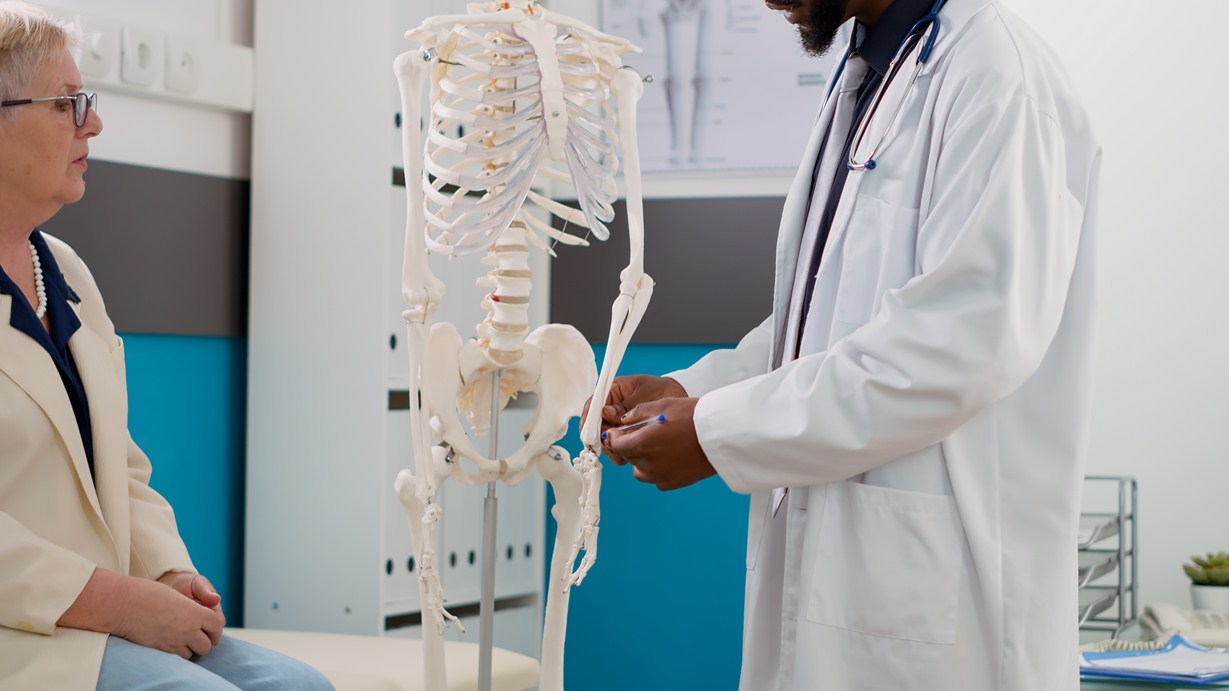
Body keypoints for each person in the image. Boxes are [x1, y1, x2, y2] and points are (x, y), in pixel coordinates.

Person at [591, 0, 1100, 688]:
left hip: (938, 612)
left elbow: (952, 349)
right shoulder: (873, 69)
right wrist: (696, 391)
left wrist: (714, 429)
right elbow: (833, 313)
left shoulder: (998, 78)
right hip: (858, 587)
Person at [0, 4, 334, 689]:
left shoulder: (63, 272)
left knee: (304, 687)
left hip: (99, 618)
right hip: (21, 632)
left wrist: (167, 573)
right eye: (69, 103)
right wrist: (120, 602)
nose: (92, 122)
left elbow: (119, 466)